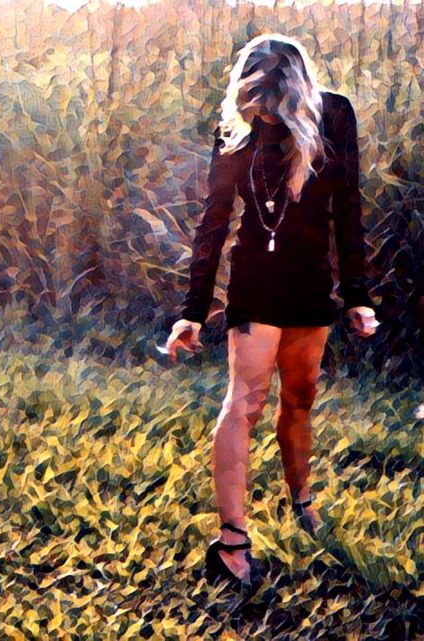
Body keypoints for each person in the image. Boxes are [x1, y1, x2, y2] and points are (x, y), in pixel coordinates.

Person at [165, 33, 379, 591]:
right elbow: (213, 220)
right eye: (251, 103)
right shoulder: (236, 129)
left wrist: (357, 294)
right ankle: (232, 542)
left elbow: (348, 208)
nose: (260, 116)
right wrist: (193, 311)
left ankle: (301, 500)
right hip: (255, 282)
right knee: (245, 400)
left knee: (300, 398)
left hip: (310, 283)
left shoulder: (334, 116)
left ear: (292, 92)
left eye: (268, 104)